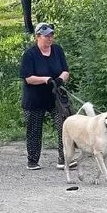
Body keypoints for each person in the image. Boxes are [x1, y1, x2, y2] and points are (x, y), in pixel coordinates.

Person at [19, 22, 73, 170]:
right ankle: (33, 160)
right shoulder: (30, 54)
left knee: (64, 125)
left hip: (54, 96)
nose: (49, 39)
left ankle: (64, 159)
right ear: (37, 37)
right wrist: (45, 79)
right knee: (34, 129)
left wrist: (60, 79)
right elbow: (28, 78)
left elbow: (65, 70)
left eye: (51, 35)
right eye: (46, 36)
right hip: (35, 98)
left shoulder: (57, 50)